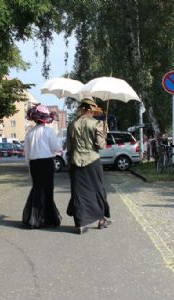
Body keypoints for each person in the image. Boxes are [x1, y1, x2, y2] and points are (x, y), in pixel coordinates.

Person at [66, 97, 110, 234]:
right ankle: (101, 220)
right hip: (92, 161)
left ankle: (80, 224)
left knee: (78, 193)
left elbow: (69, 146)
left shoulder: (72, 124)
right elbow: (100, 145)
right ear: (91, 110)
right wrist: (104, 133)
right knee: (98, 190)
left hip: (75, 161)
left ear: (82, 109)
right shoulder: (97, 124)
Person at [22, 105, 62, 228]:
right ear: (46, 118)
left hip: (34, 164)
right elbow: (55, 148)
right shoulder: (49, 131)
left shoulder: (29, 133)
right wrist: (61, 148)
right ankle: (48, 218)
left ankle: (33, 219)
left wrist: (29, 167)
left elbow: (27, 154)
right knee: (48, 190)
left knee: (37, 189)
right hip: (47, 163)